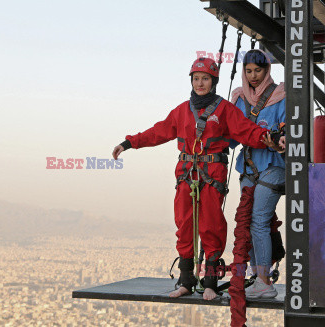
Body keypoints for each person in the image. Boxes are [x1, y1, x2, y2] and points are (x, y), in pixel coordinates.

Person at [112, 57, 275, 301]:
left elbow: (246, 130)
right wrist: (129, 143)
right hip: (187, 174)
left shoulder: (224, 109)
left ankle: (209, 282)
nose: (200, 83)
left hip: (211, 175)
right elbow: (158, 131)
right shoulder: (181, 111)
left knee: (211, 226)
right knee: (184, 224)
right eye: (196, 78)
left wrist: (269, 137)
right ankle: (186, 280)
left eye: (205, 79)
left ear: (213, 82)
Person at [230, 49, 286, 299]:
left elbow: (290, 134)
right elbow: (231, 139)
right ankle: (259, 275)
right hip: (249, 167)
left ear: (268, 71)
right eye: (248, 71)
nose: (253, 76)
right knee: (247, 223)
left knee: (258, 221)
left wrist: (279, 142)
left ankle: (264, 281)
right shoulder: (240, 99)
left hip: (275, 165)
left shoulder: (282, 96)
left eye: (258, 70)